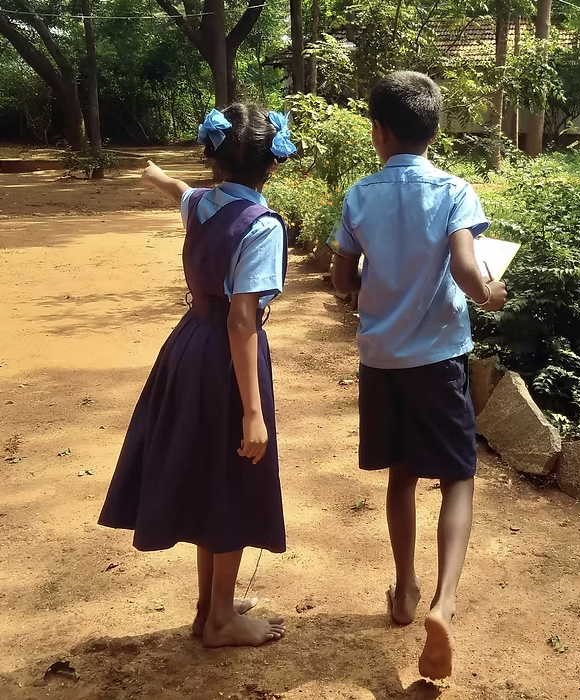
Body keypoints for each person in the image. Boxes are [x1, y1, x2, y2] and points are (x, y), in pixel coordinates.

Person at [329, 71, 508, 680]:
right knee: (457, 477)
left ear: (378, 131)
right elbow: (464, 264)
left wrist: (362, 286)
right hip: (438, 358)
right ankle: (445, 603)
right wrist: (489, 292)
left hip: (382, 361)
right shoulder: (456, 190)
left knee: (401, 477)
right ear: (435, 130)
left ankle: (404, 591)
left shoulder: (359, 195)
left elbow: (342, 280)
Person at [98, 104, 298, 648]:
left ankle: (212, 605)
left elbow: (180, 190)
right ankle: (220, 622)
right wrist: (253, 412)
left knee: (212, 477)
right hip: (227, 362)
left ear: (215, 158)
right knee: (232, 480)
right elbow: (242, 319)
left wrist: (156, 176)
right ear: (272, 165)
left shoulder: (203, 206)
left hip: (187, 347)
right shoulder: (262, 226)